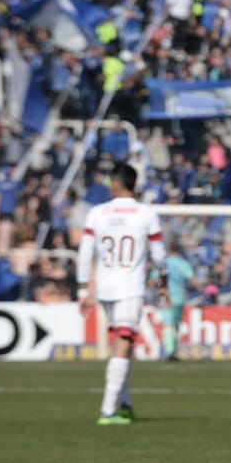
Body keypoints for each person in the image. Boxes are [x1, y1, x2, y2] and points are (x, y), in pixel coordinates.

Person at [76, 162, 166, 425]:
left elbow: (85, 254)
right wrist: (162, 278)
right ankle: (107, 410)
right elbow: (159, 255)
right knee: (125, 341)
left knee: (122, 344)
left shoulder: (97, 213)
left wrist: (83, 289)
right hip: (130, 287)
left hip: (105, 288)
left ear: (116, 183)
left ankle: (125, 404)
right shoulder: (145, 213)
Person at [160, 240, 198, 361]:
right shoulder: (183, 263)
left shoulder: (164, 263)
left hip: (165, 297)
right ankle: (174, 351)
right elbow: (192, 278)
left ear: (169, 250)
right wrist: (202, 287)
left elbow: (154, 280)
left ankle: (170, 351)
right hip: (179, 297)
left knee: (168, 325)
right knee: (176, 325)